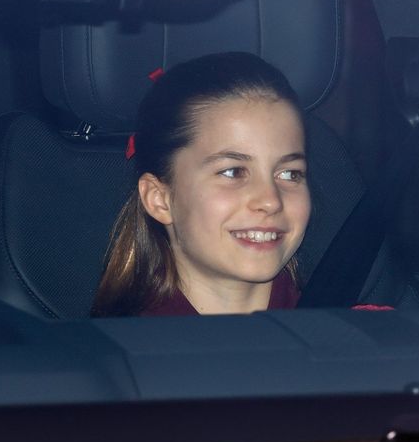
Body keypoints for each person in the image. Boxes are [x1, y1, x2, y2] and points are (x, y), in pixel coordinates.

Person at [91, 52, 310, 316]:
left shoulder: (342, 333)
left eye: (289, 174)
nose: (271, 200)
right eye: (233, 172)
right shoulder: (118, 350)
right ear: (159, 199)